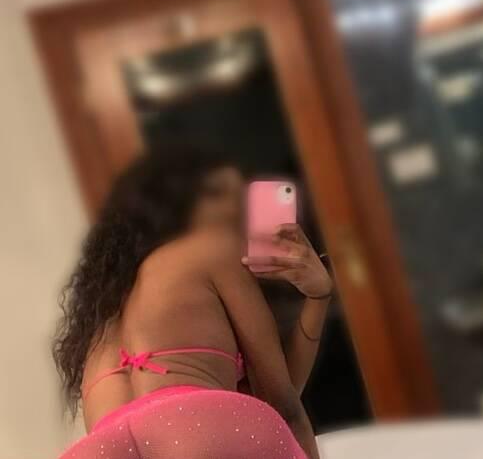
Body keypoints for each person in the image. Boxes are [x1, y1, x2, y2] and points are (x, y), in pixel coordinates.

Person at [53, 144, 333, 459]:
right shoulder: (213, 248)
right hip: (195, 430)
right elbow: (282, 403)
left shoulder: (103, 303)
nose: (239, 208)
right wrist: (319, 294)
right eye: (222, 194)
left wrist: (315, 298)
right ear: (179, 204)